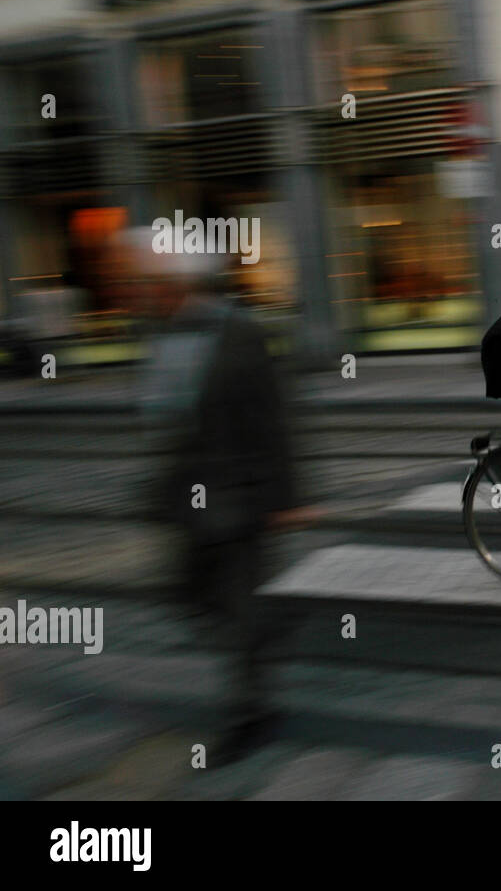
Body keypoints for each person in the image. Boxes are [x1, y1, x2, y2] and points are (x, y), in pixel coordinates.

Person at [118, 226, 305, 759]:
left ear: (179, 280)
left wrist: (287, 497)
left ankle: (251, 712)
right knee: (186, 595)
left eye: (150, 281)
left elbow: (274, 418)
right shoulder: (162, 332)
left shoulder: (241, 333)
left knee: (238, 607)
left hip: (236, 497)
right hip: (186, 498)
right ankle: (273, 624)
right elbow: (168, 418)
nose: (141, 290)